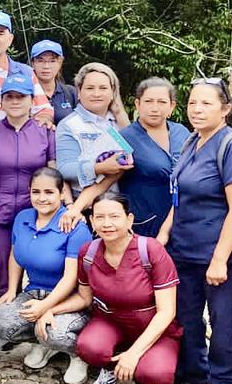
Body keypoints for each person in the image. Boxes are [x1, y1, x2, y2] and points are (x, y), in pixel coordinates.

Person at [156, 77, 232, 384]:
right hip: (184, 249)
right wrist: (165, 232)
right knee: (186, 316)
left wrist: (220, 258)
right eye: (193, 102)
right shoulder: (192, 140)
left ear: (225, 109)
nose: (197, 109)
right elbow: (179, 196)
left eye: (206, 103)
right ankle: (194, 375)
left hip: (220, 253)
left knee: (224, 320)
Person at [46, 193, 180, 384]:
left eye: (114, 217)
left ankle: (149, 378)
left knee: (155, 373)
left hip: (152, 327)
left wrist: (133, 354)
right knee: (89, 347)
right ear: (91, 220)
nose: (106, 224)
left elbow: (167, 312)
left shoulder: (151, 250)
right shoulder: (88, 253)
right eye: (99, 217)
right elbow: (84, 297)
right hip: (111, 322)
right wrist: (50, 309)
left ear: (129, 219)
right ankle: (110, 367)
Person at [0, 168, 92, 384]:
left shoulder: (74, 226)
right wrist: (13, 291)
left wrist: (46, 307)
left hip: (70, 299)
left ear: (62, 194)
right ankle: (43, 342)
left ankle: (78, 354)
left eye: (49, 192)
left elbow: (71, 278)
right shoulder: (23, 218)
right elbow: (15, 255)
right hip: (33, 291)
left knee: (54, 334)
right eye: (36, 192)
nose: (42, 198)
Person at [0, 71, 58, 297]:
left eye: (20, 97)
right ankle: (3, 313)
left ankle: (32, 308)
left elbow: (53, 173)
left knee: (35, 263)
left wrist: (62, 207)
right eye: (9, 97)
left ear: (32, 101)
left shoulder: (45, 132)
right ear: (1, 102)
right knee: (1, 265)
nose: (14, 102)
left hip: (35, 211)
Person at [56, 63, 133, 230]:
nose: (97, 94)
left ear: (113, 92)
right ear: (79, 91)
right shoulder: (69, 125)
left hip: (122, 206)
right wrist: (99, 168)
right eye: (90, 88)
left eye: (103, 88)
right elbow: (64, 168)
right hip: (86, 208)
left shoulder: (122, 124)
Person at [119, 78, 191, 237]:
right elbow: (109, 177)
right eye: (148, 101)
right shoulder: (124, 138)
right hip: (144, 222)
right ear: (137, 104)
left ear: (171, 106)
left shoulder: (182, 132)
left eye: (161, 102)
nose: (154, 108)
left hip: (181, 221)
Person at [29, 40, 78, 124]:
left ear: (60, 63)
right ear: (33, 63)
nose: (46, 66)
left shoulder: (71, 92)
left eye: (52, 61)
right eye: (40, 61)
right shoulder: (25, 93)